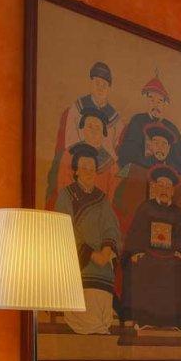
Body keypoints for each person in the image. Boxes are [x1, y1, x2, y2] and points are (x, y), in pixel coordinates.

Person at [118, 165, 181, 330]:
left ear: (172, 191)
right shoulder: (145, 208)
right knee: (137, 266)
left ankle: (176, 321)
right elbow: (135, 234)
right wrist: (135, 252)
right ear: (155, 188)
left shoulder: (178, 213)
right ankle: (143, 319)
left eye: (168, 186)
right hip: (148, 256)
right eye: (161, 185)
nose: (164, 189)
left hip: (172, 258)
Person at [54, 143, 123, 335]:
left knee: (104, 276)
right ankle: (88, 326)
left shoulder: (101, 198)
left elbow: (111, 227)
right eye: (84, 168)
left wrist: (106, 251)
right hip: (77, 258)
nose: (88, 172)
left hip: (102, 258)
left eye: (92, 168)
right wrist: (91, 254)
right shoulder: (66, 196)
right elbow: (64, 228)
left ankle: (102, 324)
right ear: (76, 171)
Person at [45, 61, 119, 208]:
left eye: (97, 128)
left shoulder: (111, 165)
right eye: (89, 126)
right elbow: (63, 191)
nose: (93, 131)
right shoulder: (69, 156)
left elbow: (111, 199)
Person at [112, 121, 181, 238]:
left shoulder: (180, 177)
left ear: (169, 148)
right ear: (150, 145)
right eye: (156, 142)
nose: (160, 147)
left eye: (164, 144)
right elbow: (121, 204)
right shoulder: (134, 169)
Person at [114, 73, 181, 187]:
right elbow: (129, 151)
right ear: (146, 101)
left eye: (160, 101)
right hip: (141, 172)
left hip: (167, 177)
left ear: (165, 104)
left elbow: (179, 158)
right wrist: (151, 163)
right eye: (152, 100)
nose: (155, 105)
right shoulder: (137, 121)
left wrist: (165, 169)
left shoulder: (171, 128)